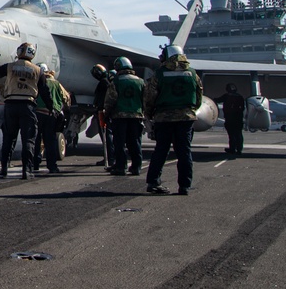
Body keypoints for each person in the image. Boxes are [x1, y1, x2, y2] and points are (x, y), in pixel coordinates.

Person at [143, 45, 203, 196]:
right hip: (185, 117)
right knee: (184, 151)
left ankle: (153, 182)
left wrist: (149, 114)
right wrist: (191, 110)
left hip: (164, 118)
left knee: (161, 150)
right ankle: (185, 186)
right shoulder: (192, 73)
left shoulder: (160, 74)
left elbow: (150, 97)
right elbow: (199, 95)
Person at [0, 42, 40, 180]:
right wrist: (51, 107)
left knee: (8, 139)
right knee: (28, 140)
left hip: (11, 106)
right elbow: (44, 91)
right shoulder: (37, 70)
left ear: (19, 52)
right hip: (28, 107)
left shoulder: (10, 67)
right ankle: (27, 170)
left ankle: (4, 168)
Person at [104, 57, 145, 176]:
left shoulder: (116, 82)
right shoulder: (140, 81)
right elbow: (146, 99)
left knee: (119, 143)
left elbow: (110, 100)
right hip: (136, 116)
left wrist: (107, 114)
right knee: (135, 142)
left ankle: (121, 167)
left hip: (119, 116)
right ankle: (136, 167)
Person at [33, 63, 71, 173]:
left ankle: (35, 163)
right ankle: (52, 166)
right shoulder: (57, 83)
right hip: (52, 115)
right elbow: (66, 98)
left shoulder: (36, 82)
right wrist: (64, 109)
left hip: (38, 114)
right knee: (50, 141)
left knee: (36, 139)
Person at [88, 64, 116, 170]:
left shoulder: (104, 83)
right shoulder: (105, 82)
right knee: (106, 135)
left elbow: (104, 98)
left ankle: (109, 158)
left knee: (106, 135)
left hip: (103, 112)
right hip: (103, 111)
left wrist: (101, 109)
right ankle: (109, 158)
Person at [217, 83, 245, 155]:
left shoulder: (226, 96)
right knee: (238, 134)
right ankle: (239, 149)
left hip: (230, 118)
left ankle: (232, 148)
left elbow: (218, 100)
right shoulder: (240, 97)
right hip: (238, 118)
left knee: (231, 134)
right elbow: (242, 108)